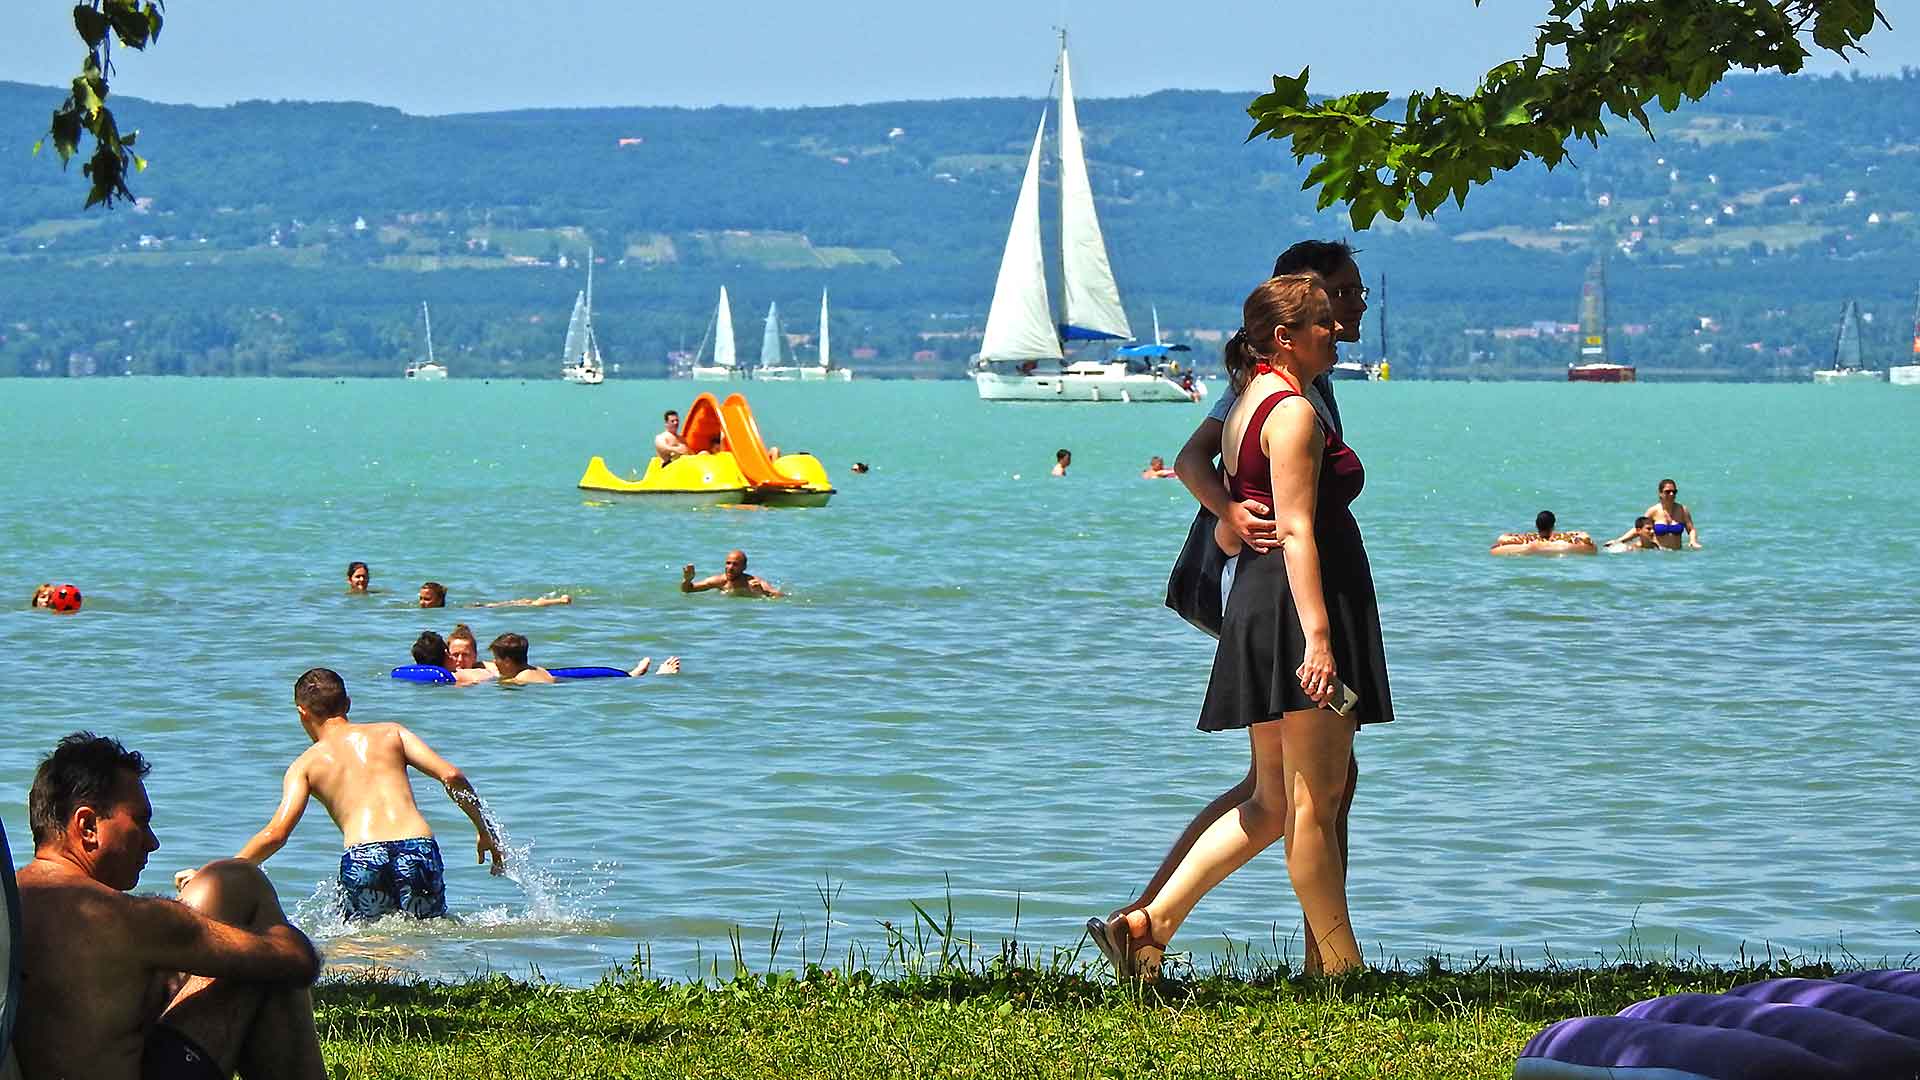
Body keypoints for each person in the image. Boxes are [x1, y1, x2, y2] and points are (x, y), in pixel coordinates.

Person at [1097, 273, 1391, 981]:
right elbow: (1295, 530)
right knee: (1312, 805)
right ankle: (1344, 970)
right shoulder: (1290, 411)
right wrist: (1320, 641)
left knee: (1269, 800)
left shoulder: (1247, 401)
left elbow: (1210, 471)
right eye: (1323, 321)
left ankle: (1148, 925)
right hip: (1297, 609)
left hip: (1264, 603)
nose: (1337, 331)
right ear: (1286, 337)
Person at [13, 732, 327, 1080]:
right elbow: (297, 961)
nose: (153, 842)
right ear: (87, 826)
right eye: (140, 821)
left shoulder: (8, 906)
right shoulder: (125, 920)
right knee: (241, 886)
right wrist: (275, 930)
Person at [198, 668, 506, 921]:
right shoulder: (392, 732)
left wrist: (220, 874)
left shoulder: (305, 764)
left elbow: (276, 834)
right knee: (428, 935)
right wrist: (484, 830)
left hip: (363, 853)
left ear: (301, 713)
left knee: (366, 945)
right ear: (347, 703)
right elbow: (452, 775)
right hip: (417, 848)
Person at [487, 632, 678, 685]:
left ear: (508, 661)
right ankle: (633, 674)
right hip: (586, 676)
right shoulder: (528, 671)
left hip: (583, 681)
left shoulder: (524, 678)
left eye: (496, 658)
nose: (494, 662)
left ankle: (660, 675)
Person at [682, 550, 783, 598]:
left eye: (735, 564)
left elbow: (780, 596)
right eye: (728, 563)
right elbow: (688, 590)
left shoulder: (753, 582)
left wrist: (762, 592)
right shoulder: (719, 581)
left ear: (744, 567)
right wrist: (687, 580)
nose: (730, 568)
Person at [1490, 511, 1598, 555]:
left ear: (1536, 525)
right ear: (1554, 525)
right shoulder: (1565, 539)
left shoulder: (1527, 539)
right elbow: (1591, 546)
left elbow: (1496, 547)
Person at [411, 630, 494, 685]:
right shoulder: (481, 675)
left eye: (465, 655)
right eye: (455, 655)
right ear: (448, 655)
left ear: (475, 656)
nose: (460, 660)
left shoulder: (411, 673)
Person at [419, 581, 571, 608]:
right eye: (421, 598)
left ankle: (560, 600)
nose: (422, 603)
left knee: (529, 604)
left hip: (483, 607)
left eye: (427, 599)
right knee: (521, 602)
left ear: (439, 600)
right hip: (478, 606)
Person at [1645, 479, 1702, 549]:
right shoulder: (1653, 511)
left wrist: (1693, 541)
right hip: (1658, 554)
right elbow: (1639, 529)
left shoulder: (1682, 510)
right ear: (1660, 493)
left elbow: (1691, 529)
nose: (1671, 494)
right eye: (1667, 492)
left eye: (1674, 492)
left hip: (1677, 555)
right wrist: (1627, 540)